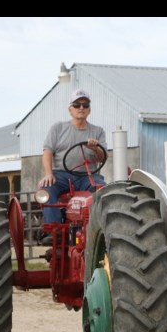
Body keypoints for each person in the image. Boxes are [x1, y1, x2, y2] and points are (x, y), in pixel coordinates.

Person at [37, 89, 107, 243]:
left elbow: (102, 157)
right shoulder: (58, 128)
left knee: (103, 190)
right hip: (61, 175)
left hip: (87, 175)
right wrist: (49, 174)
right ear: (70, 109)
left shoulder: (97, 131)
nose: (81, 108)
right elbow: (47, 152)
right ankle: (54, 231)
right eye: (77, 104)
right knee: (47, 189)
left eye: (85, 104)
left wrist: (95, 148)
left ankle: (101, 229)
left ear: (89, 109)